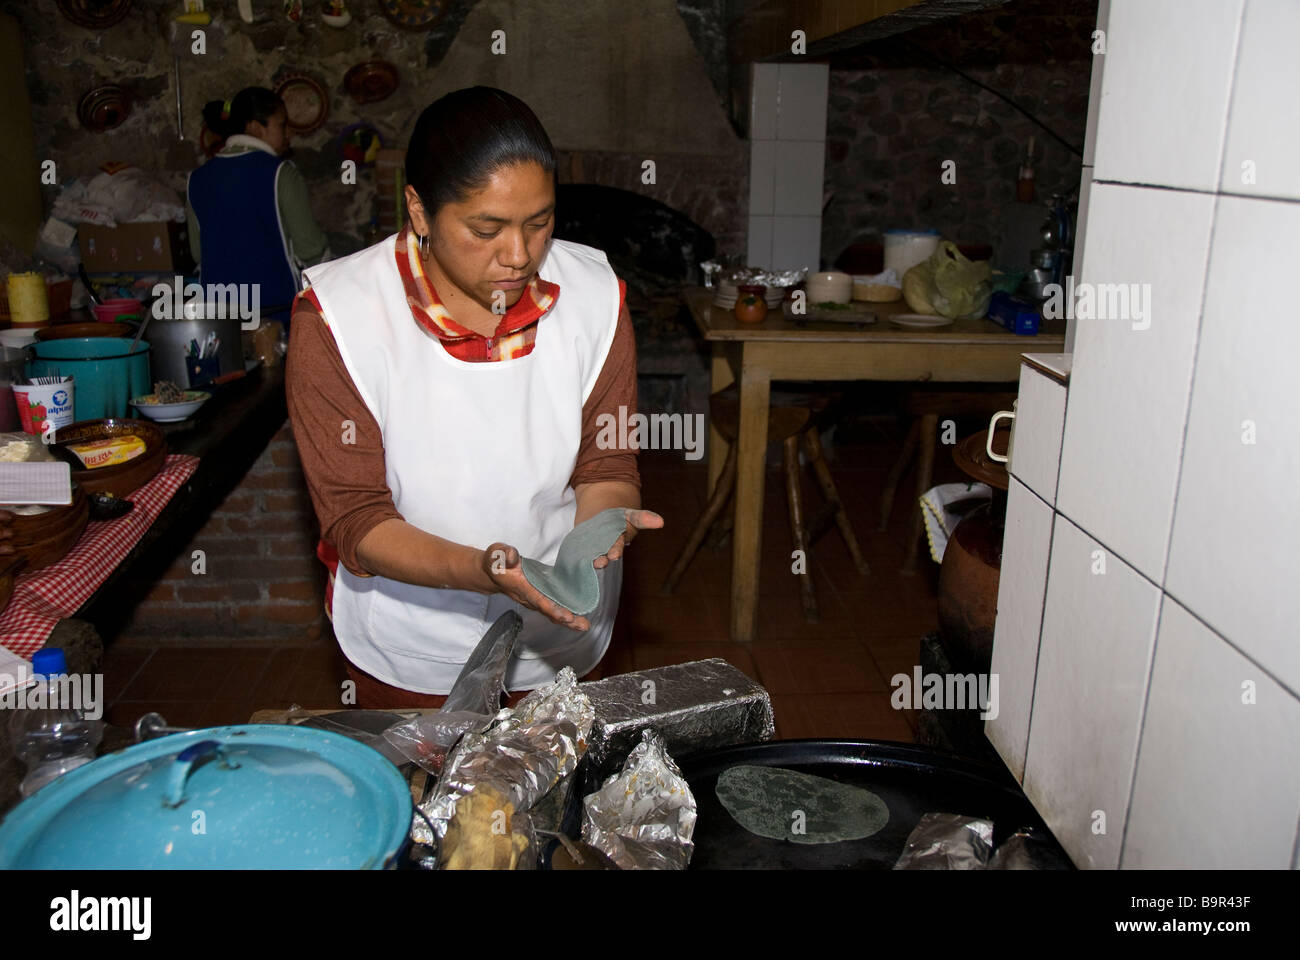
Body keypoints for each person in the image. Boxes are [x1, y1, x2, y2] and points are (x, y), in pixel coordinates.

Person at [285, 87, 662, 709]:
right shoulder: (340, 317)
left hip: (556, 629)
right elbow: (356, 518)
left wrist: (599, 528)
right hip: (413, 637)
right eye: (486, 229)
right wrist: (484, 570)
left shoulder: (596, 296)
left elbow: (608, 462)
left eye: (539, 223)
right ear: (420, 210)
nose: (519, 256)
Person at [187, 87, 330, 326]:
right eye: (282, 125)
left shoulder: (197, 179)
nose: (289, 133)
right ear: (254, 127)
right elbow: (311, 248)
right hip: (275, 311)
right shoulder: (280, 173)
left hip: (220, 316)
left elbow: (197, 253)